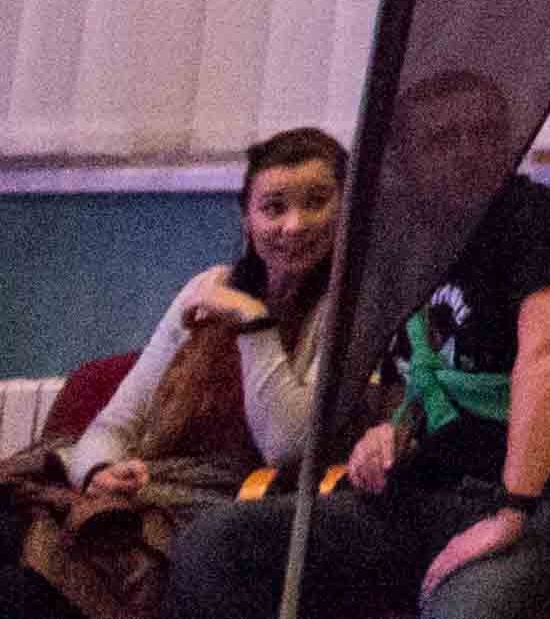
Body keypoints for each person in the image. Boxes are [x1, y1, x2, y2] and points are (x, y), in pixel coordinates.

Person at [168, 79, 550, 619]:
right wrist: (389, 433)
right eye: (443, 138)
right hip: (424, 492)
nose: (467, 150)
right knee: (215, 544)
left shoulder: (538, 219)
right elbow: (421, 384)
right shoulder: (412, 244)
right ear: (407, 160)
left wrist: (511, 511)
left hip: (542, 498)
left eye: (484, 133)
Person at [3, 131, 345, 619]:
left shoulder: (347, 308)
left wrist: (253, 322)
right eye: (274, 208)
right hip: (138, 490)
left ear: (346, 207)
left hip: (223, 513)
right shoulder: (209, 286)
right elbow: (114, 423)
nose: (294, 225)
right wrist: (100, 470)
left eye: (316, 202)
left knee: (23, 587)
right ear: (247, 219)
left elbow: (287, 446)